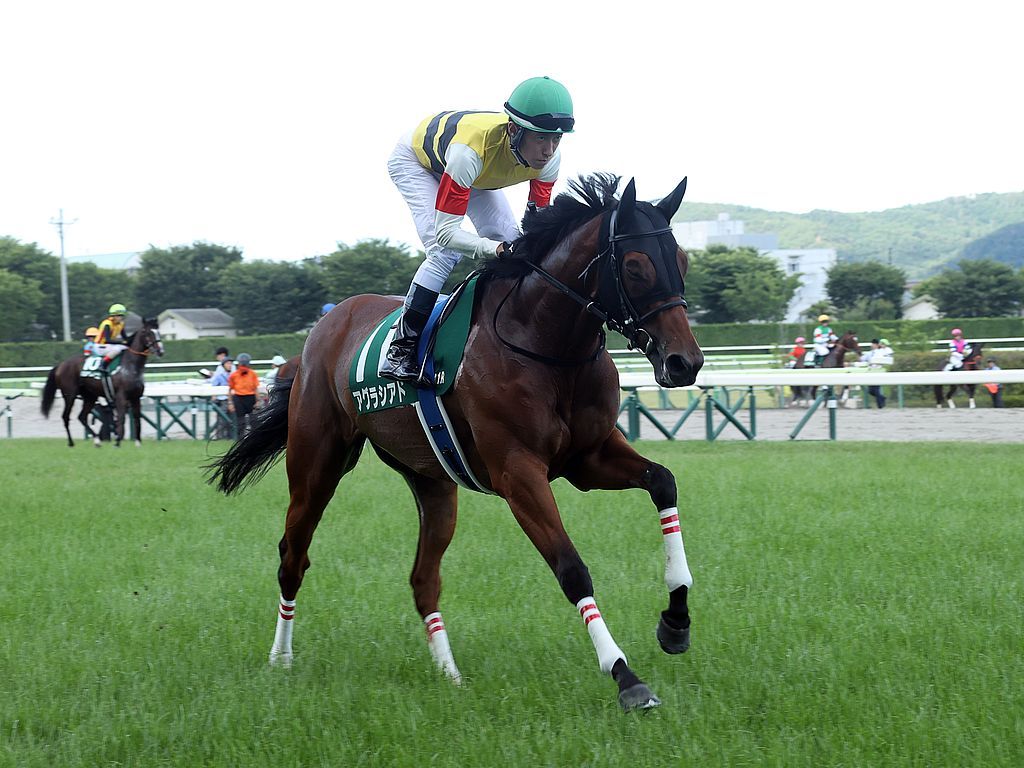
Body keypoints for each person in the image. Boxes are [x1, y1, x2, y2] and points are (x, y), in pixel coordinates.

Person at [381, 75, 574, 382]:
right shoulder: (468, 154)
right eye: (540, 138)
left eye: (556, 139)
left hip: (477, 172)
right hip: (419, 162)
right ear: (514, 130)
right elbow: (446, 233)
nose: (548, 150)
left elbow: (536, 227)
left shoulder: (550, 161)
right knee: (443, 253)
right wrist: (494, 249)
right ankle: (400, 350)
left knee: (515, 242)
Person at [228, 353, 260, 436]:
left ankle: (254, 438)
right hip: (239, 398)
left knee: (254, 421)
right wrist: (230, 403)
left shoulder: (253, 374)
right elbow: (230, 390)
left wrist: (257, 401)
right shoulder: (234, 375)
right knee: (240, 422)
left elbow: (255, 388)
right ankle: (240, 439)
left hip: (250, 398)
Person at [94, 303, 130, 373]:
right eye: (119, 316)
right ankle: (103, 364)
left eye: (122, 316)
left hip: (108, 345)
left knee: (126, 348)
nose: (121, 318)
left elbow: (125, 338)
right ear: (113, 316)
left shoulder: (121, 324)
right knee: (118, 348)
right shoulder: (107, 324)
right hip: (100, 346)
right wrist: (122, 342)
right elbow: (107, 340)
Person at [863, 338, 894, 408]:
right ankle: (882, 398)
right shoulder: (873, 352)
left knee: (876, 389)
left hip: (878, 371)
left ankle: (880, 405)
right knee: (871, 390)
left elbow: (888, 356)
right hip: (871, 371)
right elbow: (864, 359)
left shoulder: (884, 351)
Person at [210, 356, 234, 439]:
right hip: (222, 400)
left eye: (231, 364)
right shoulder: (219, 376)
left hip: (231, 400)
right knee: (221, 420)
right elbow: (214, 386)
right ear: (224, 365)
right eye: (228, 364)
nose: (230, 365)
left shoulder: (233, 375)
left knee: (232, 419)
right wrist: (214, 396)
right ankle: (220, 436)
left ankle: (230, 436)